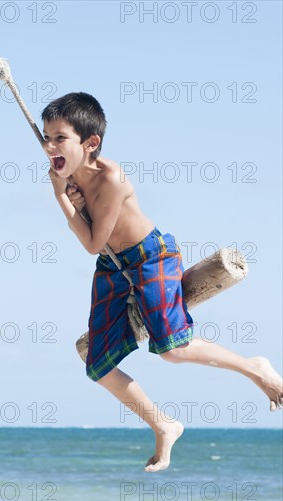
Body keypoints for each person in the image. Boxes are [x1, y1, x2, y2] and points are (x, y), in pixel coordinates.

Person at [41, 92, 283, 472]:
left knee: (172, 348)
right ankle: (164, 425)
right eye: (46, 137)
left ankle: (254, 366)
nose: (49, 146)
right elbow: (98, 244)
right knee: (96, 363)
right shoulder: (69, 175)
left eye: (59, 138)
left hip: (150, 256)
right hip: (114, 266)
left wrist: (61, 198)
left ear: (91, 144)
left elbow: (91, 242)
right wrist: (70, 194)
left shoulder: (111, 179)